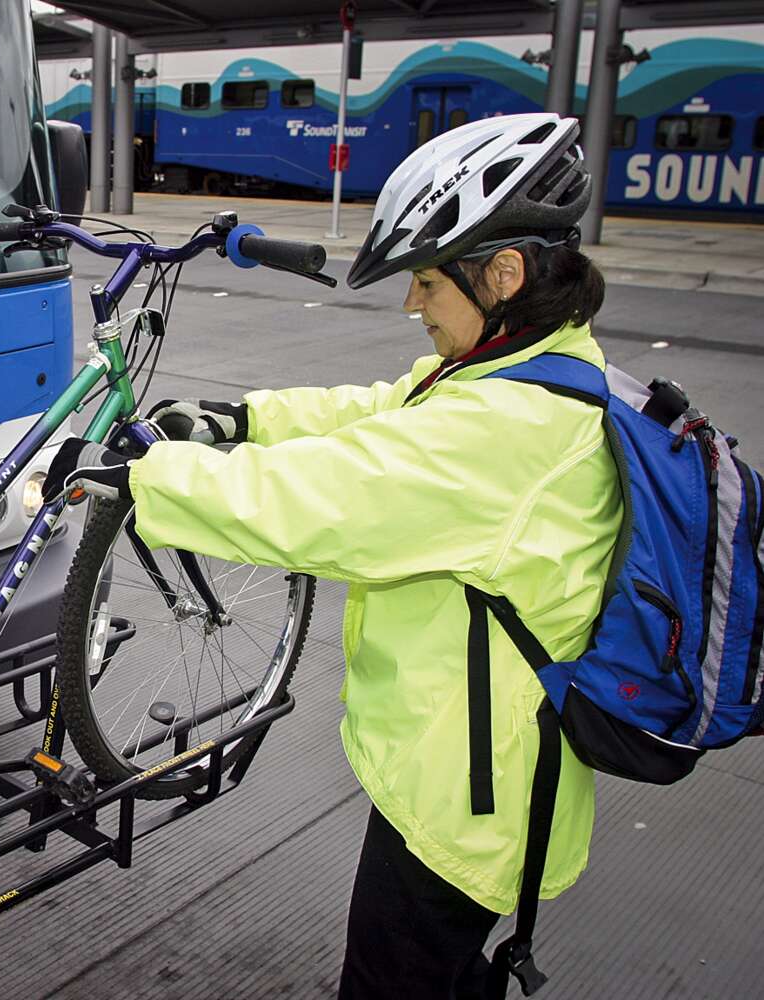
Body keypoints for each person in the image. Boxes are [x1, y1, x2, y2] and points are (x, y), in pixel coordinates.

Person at [44, 113, 617, 998]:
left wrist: (146, 481)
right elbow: (382, 412)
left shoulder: (512, 429)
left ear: (504, 274)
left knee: (391, 981)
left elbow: (327, 500)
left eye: (427, 282)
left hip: (465, 804)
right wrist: (246, 420)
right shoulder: (525, 370)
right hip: (469, 762)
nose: (412, 304)